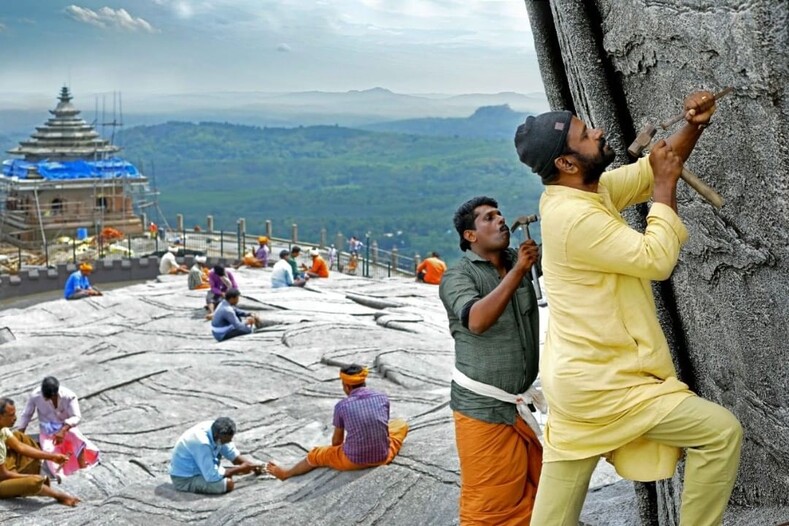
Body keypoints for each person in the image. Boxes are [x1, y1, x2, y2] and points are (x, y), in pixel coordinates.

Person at [513, 92, 742, 526]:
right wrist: (665, 188)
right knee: (719, 432)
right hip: (607, 385)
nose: (597, 131)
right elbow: (656, 258)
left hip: (578, 380)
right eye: (584, 134)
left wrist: (694, 126)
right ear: (565, 163)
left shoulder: (580, 196)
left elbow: (646, 171)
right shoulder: (575, 218)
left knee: (553, 516)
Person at [438, 196, 542, 524]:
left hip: (518, 404)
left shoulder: (516, 258)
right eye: (488, 218)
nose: (499, 220)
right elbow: (477, 320)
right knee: (491, 509)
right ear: (470, 236)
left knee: (534, 490)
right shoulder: (457, 276)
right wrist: (520, 270)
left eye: (499, 215)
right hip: (482, 410)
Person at [266, 365, 408, 481]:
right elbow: (383, 427)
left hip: (353, 461)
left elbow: (337, 441)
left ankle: (286, 474)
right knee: (401, 424)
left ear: (346, 386)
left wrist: (342, 449)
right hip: (383, 456)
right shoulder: (382, 398)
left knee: (316, 454)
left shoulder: (342, 406)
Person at [0, 398, 80, 506]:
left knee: (19, 437)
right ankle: (55, 494)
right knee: (33, 482)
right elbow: (3, 474)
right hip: (2, 477)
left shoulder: (2, 429)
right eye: (11, 415)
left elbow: (20, 447)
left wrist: (52, 457)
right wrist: (28, 477)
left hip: (5, 468)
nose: (15, 418)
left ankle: (21, 478)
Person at [16, 377, 100, 477]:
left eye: (51, 397)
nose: (48, 400)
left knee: (76, 436)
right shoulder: (35, 396)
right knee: (51, 456)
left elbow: (76, 416)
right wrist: (20, 434)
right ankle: (61, 474)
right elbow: (27, 414)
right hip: (48, 432)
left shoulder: (69, 396)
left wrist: (63, 430)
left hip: (67, 428)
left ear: (56, 393)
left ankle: (82, 466)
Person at [169, 417, 262, 495]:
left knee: (224, 475)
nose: (228, 442)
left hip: (201, 468)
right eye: (226, 440)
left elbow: (232, 454)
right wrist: (239, 470)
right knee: (228, 484)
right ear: (218, 435)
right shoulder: (202, 443)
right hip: (185, 478)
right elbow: (211, 476)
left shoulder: (215, 429)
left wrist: (251, 466)